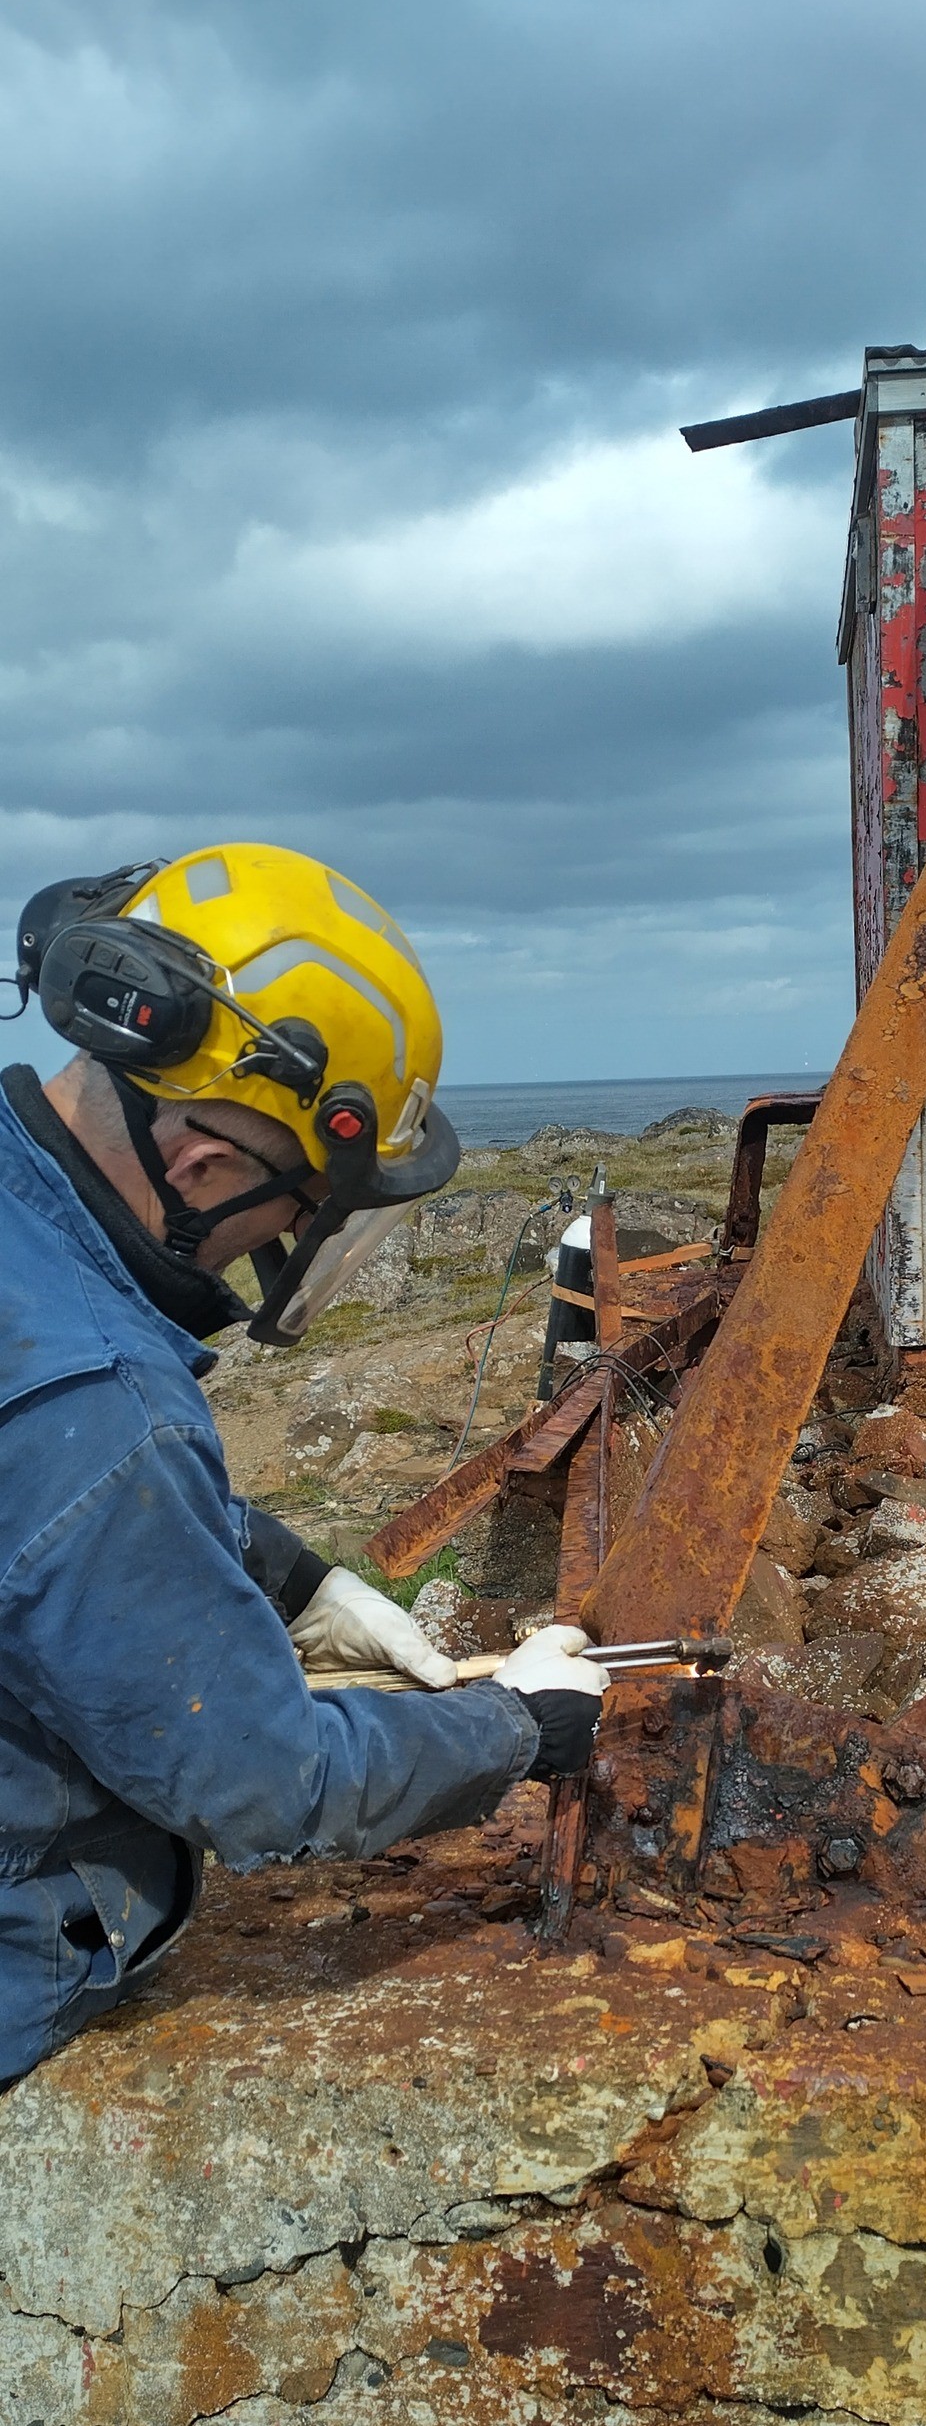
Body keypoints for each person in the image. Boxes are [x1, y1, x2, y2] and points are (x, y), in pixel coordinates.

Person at [0, 842, 606, 2085]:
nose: (287, 1242)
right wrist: (518, 1726)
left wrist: (287, 1583)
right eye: (304, 1205)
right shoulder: (106, 1404)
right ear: (205, 1163)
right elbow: (264, 1789)